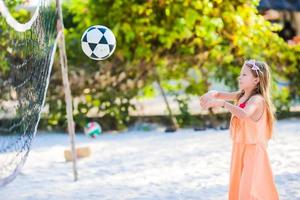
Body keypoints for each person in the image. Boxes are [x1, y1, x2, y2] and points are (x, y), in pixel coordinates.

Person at [200, 60, 279, 200]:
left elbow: (244, 114)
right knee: (237, 183)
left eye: (244, 75)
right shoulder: (241, 95)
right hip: (239, 147)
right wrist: (211, 94)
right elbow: (219, 94)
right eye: (240, 74)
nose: (239, 77)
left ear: (256, 80)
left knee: (249, 187)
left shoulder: (257, 100)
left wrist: (223, 104)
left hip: (253, 149)